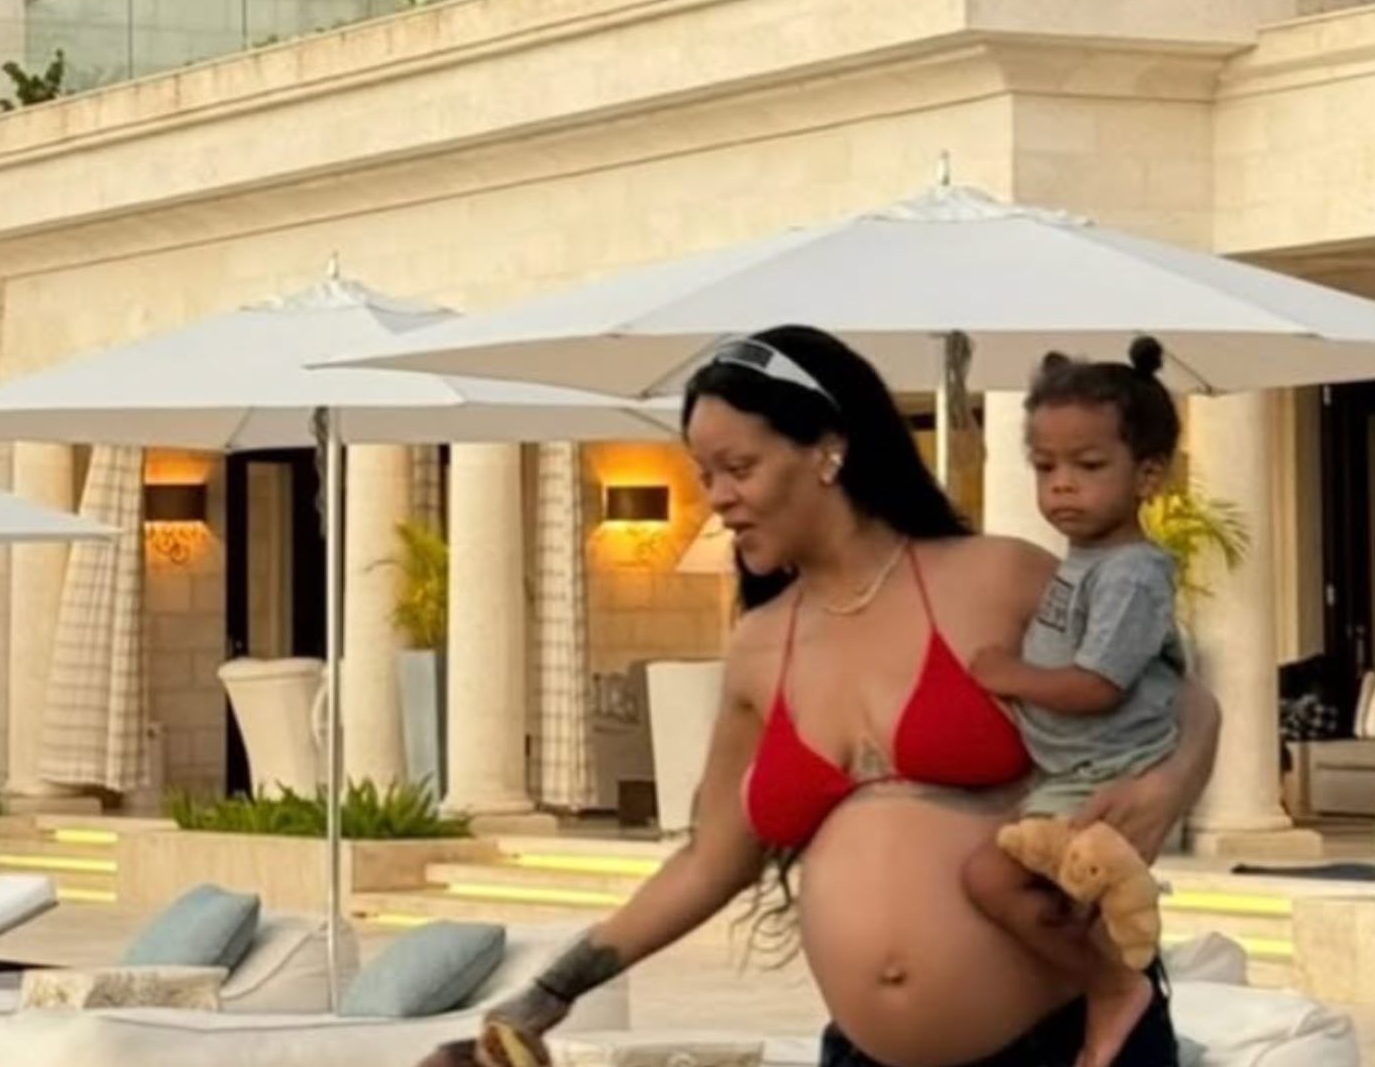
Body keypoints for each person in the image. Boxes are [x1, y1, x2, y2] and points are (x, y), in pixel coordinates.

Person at [433, 325, 1220, 1067]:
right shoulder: (758, 648)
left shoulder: (993, 578)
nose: (718, 497)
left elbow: (1177, 699)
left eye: (739, 467)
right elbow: (708, 862)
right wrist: (548, 994)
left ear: (827, 450)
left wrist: (1169, 783)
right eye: (705, 475)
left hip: (1061, 1041)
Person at [962, 338, 1186, 1067]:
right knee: (1074, 900)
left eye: (1088, 466)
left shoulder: (1130, 574)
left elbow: (1098, 686)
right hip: (1072, 773)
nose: (1061, 486)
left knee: (992, 877)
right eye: (1045, 467)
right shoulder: (1088, 562)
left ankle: (1113, 989)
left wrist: (1008, 675)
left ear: (1147, 474)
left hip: (1101, 773)